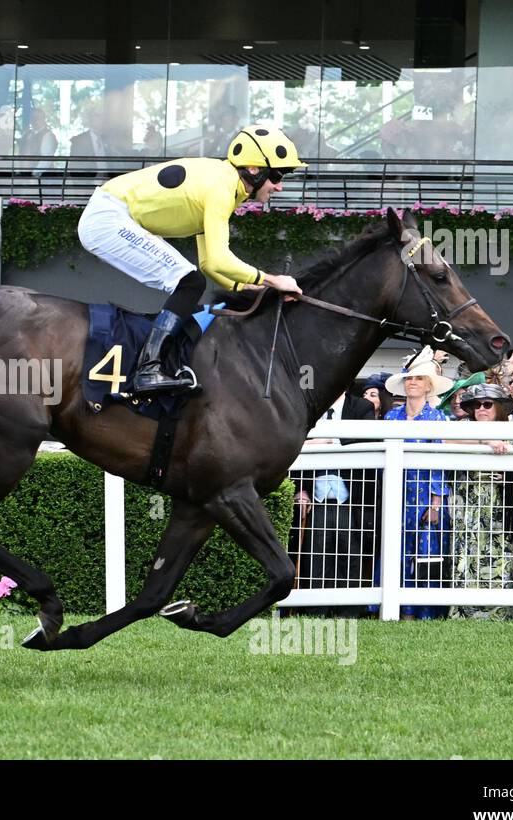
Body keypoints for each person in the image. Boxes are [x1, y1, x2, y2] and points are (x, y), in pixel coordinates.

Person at [76, 125, 306, 396]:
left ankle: (151, 365)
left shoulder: (226, 185)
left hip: (110, 216)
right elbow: (220, 260)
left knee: (192, 280)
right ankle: (148, 369)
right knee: (189, 282)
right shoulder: (222, 185)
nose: (279, 186)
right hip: (108, 219)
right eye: (277, 176)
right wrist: (273, 280)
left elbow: (210, 262)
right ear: (254, 169)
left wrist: (248, 289)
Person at [291, 389, 378, 616]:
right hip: (317, 501)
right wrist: (301, 490)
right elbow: (295, 447)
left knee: (350, 555)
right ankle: (316, 610)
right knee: (316, 555)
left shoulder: (361, 408)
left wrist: (331, 438)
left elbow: (367, 440)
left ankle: (347, 612)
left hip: (350, 500)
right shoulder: (310, 407)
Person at [382, 348, 453, 620]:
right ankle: (397, 610)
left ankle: (424, 612)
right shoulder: (391, 417)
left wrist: (436, 503)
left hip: (425, 494)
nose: (412, 383)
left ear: (428, 386)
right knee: (397, 548)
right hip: (396, 493)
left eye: (419, 379)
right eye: (409, 379)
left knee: (426, 550)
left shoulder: (437, 418)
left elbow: (439, 461)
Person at [445, 383, 513, 619]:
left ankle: (500, 613)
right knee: (466, 553)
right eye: (476, 405)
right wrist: (485, 441)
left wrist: (509, 473)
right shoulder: (463, 428)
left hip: (502, 505)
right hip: (468, 505)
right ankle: (464, 612)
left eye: (487, 404)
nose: (481, 409)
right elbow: (447, 442)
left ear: (499, 407)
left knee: (502, 555)